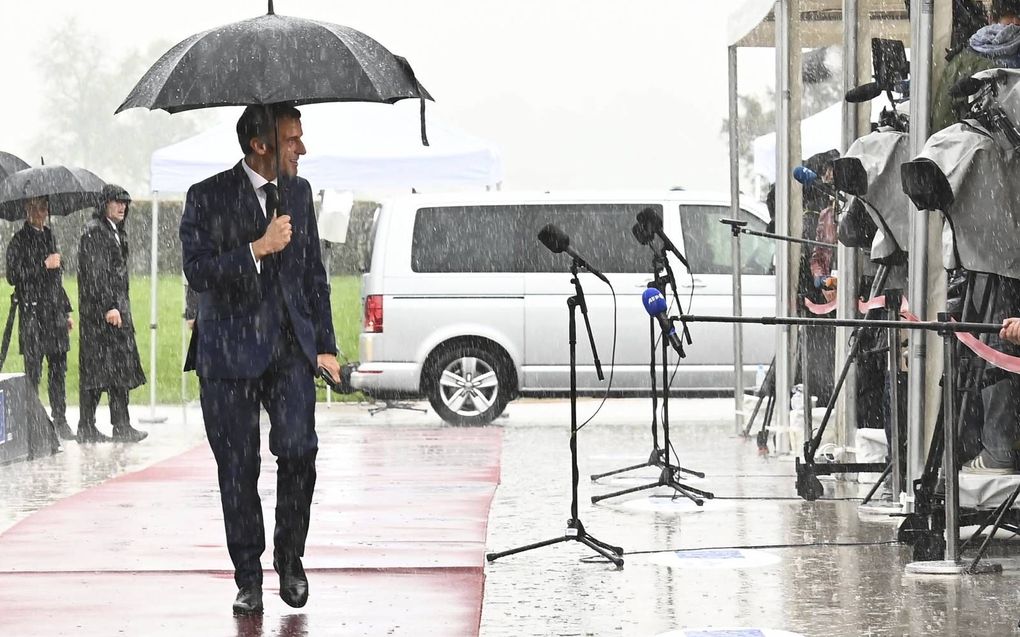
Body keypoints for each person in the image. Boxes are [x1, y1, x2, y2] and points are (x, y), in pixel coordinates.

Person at [180, 103, 340, 616]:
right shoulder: (205, 197)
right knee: (238, 468)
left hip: (290, 351)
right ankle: (248, 575)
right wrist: (257, 248)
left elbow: (314, 273)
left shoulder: (299, 192)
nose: (303, 148)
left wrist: (327, 347)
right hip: (227, 354)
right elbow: (198, 272)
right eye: (293, 139)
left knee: (299, 452)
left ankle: (289, 558)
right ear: (261, 144)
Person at [76, 185, 148, 444]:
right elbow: (96, 275)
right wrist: (109, 306)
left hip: (115, 314)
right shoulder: (96, 233)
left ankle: (119, 425)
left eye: (125, 203)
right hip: (101, 317)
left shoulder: (114, 232)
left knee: (116, 372)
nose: (122, 207)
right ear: (105, 204)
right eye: (117, 202)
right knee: (98, 373)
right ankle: (88, 426)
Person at [5, 196, 74, 440]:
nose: (42, 212)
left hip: (54, 313)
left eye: (45, 207)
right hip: (32, 314)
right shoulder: (18, 241)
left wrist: (65, 311)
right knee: (33, 371)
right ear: (27, 209)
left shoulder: (50, 236)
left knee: (59, 370)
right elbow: (13, 276)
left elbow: (57, 279)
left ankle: (61, 419)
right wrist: (42, 264)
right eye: (37, 207)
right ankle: (33, 423)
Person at [932, 0, 1020, 132]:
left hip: (964, 140)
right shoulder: (1014, 54)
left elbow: (944, 110)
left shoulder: (963, 54)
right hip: (1000, 142)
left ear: (991, 19)